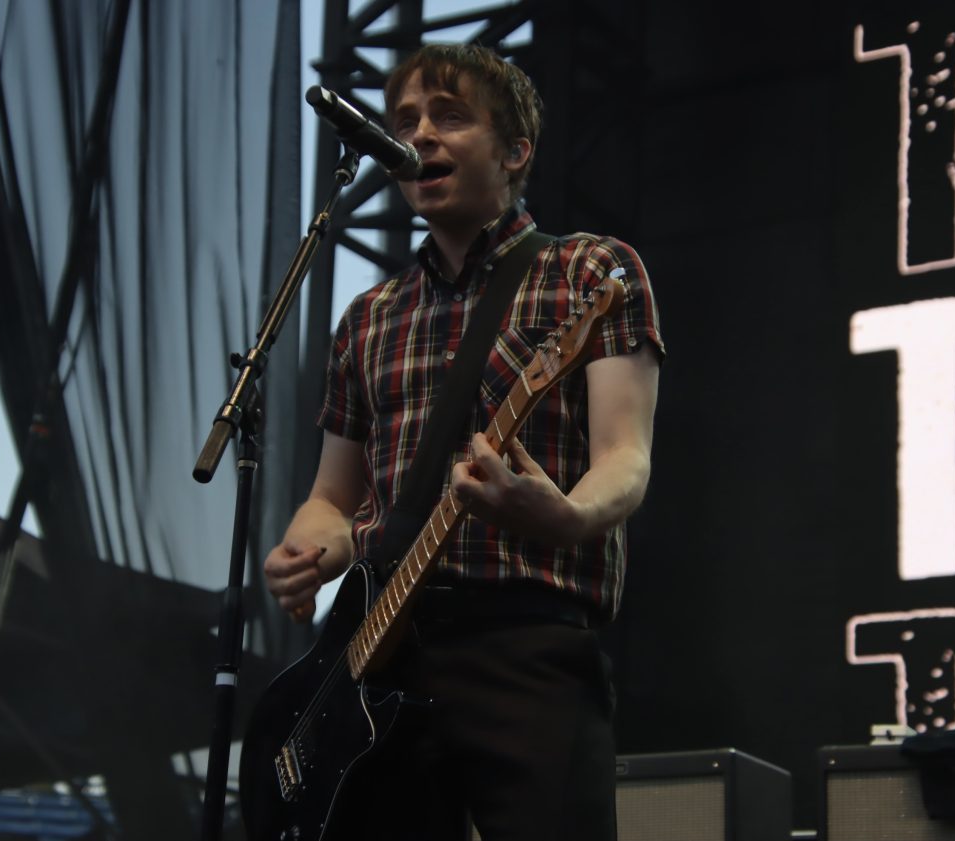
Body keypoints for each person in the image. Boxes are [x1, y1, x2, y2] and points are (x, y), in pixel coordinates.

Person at [262, 42, 664, 841]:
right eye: (407, 119)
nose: (420, 135)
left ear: (515, 151)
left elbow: (626, 456)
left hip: (527, 645)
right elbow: (332, 499)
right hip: (379, 657)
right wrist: (309, 548)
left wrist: (566, 514)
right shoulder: (368, 318)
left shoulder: (586, 271)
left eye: (450, 117)